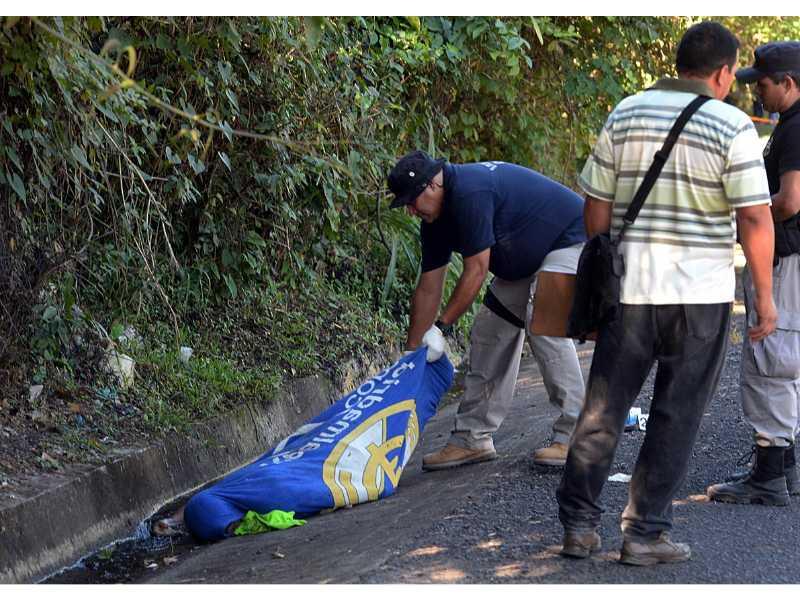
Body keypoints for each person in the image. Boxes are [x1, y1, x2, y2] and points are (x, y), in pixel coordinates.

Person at [556, 21, 776, 566]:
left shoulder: (626, 112)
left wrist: (604, 272)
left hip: (630, 289)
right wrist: (764, 297)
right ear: (723, 73)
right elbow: (754, 217)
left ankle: (579, 526)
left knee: (604, 408)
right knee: (677, 413)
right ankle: (645, 534)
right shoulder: (732, 125)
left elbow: (596, 208)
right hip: (699, 295)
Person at [386, 151, 587, 469]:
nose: (410, 211)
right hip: (530, 260)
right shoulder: (434, 221)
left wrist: (442, 326)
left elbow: (477, 271)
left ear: (433, 185)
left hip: (575, 241)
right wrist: (412, 354)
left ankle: (580, 435)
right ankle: (472, 439)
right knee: (490, 330)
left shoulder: (470, 192)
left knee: (543, 318)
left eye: (412, 201)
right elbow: (429, 288)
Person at [706, 41, 800, 506]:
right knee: (784, 355)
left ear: (789, 82)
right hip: (791, 257)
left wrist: (746, 219)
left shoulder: (796, 129)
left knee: (771, 357)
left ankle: (768, 475)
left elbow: (789, 200)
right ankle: (785, 467)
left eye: (762, 84)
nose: (757, 92)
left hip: (787, 258)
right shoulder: (790, 124)